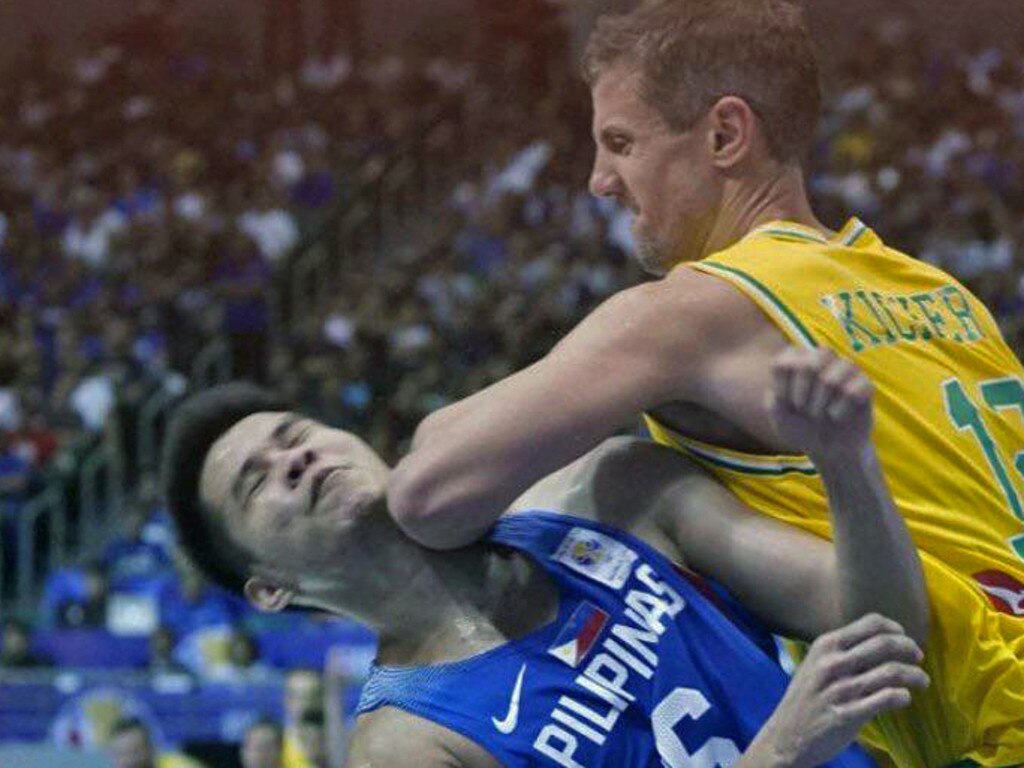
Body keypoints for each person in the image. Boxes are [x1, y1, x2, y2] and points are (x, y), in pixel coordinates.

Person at [383, 2, 1024, 766]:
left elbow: (429, 496)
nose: (598, 182)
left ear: (725, 134)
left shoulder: (694, 310)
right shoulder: (939, 292)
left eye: (620, 143)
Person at [162, 355, 928, 768]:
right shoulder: (405, 748)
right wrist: (780, 755)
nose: (293, 461)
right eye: (255, 481)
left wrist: (843, 460)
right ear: (268, 589)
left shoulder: (610, 489)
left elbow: (887, 627)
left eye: (295, 433)